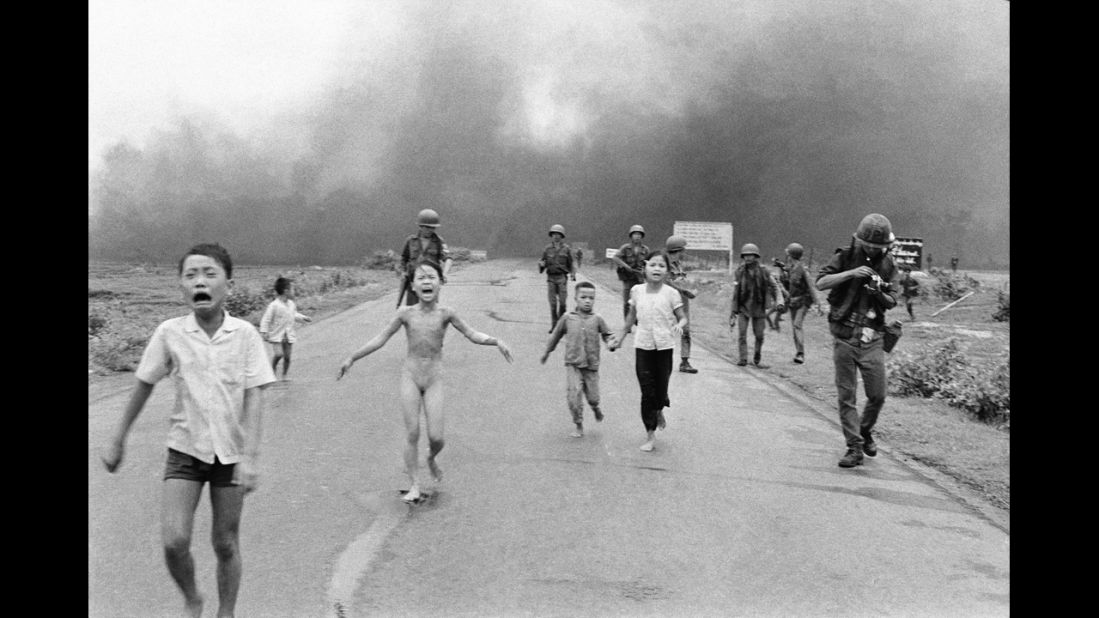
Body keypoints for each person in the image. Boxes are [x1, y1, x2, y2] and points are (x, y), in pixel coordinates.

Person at [100, 242, 276, 618]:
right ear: (180, 285)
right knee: (174, 541)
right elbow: (144, 383)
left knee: (225, 543)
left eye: (210, 274)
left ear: (229, 283)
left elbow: (256, 396)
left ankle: (225, 612)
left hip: (230, 454)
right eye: (191, 275)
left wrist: (251, 457)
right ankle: (193, 597)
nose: (200, 281)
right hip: (185, 451)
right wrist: (118, 437)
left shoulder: (244, 334)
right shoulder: (169, 333)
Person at [337, 262, 513, 502]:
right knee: (412, 432)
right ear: (413, 286)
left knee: (437, 437)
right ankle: (414, 484)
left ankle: (430, 458)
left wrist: (496, 341)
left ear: (440, 284)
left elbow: (472, 334)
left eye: (432, 277)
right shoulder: (405, 314)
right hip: (410, 376)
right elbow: (381, 338)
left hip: (434, 379)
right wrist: (352, 358)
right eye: (421, 278)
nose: (427, 281)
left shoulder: (446, 313)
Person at [815, 213, 900, 468]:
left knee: (878, 395)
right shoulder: (843, 256)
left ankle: (863, 431)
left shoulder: (889, 265)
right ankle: (854, 447)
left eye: (879, 247)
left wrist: (878, 292)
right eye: (869, 245)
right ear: (859, 240)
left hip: (872, 336)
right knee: (846, 395)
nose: (873, 250)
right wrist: (851, 273)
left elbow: (893, 299)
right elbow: (821, 282)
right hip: (844, 335)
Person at [609, 251, 689, 452]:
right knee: (646, 391)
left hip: (664, 347)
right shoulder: (637, 291)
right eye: (653, 265)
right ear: (645, 267)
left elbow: (682, 316)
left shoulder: (671, 293)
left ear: (667, 271)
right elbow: (630, 319)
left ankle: (659, 407)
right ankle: (650, 434)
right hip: (643, 346)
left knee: (660, 391)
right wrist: (620, 337)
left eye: (661, 266)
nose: (657, 269)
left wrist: (680, 324)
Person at [540, 281, 617, 437]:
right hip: (573, 364)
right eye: (583, 297)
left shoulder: (597, 319)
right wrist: (547, 352)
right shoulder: (567, 318)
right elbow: (555, 335)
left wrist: (611, 343)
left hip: (591, 365)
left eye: (591, 298)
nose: (587, 301)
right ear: (575, 298)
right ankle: (579, 424)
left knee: (594, 398)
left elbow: (608, 334)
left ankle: (595, 408)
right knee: (574, 396)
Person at [729, 243, 782, 368]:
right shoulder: (740, 272)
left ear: (755, 256)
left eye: (750, 255)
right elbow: (736, 292)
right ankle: (743, 358)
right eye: (745, 255)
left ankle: (757, 354)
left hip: (759, 307)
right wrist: (733, 311)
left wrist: (779, 301)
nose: (747, 258)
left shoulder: (764, 271)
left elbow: (775, 286)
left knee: (759, 335)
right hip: (743, 307)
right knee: (742, 334)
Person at [258, 276, 312, 381]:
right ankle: (271, 371)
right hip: (277, 335)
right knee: (279, 354)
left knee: (287, 357)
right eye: (292, 289)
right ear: (286, 291)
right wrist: (264, 331)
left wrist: (303, 318)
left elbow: (294, 315)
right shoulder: (274, 305)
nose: (294, 291)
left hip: (288, 335)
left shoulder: (291, 304)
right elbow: (266, 319)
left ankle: (284, 375)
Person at [398, 208, 453, 306]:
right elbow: (403, 259)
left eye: (433, 227)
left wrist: (445, 274)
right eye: (427, 227)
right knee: (412, 311)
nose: (430, 230)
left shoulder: (439, 241)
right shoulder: (411, 241)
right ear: (420, 226)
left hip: (431, 282)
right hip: (414, 282)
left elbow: (448, 258)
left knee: (430, 310)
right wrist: (403, 272)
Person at [663, 235, 699, 373]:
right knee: (665, 331)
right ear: (677, 250)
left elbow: (681, 281)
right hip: (668, 302)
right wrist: (685, 291)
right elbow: (667, 282)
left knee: (686, 331)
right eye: (682, 250)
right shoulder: (664, 264)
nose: (683, 253)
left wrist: (688, 290)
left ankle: (685, 361)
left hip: (682, 303)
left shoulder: (679, 265)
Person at [538, 224, 576, 332]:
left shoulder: (567, 249)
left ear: (562, 236)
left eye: (558, 234)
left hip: (562, 278)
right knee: (553, 303)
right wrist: (541, 265)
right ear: (551, 235)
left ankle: (561, 324)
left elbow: (572, 263)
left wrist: (573, 274)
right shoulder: (547, 249)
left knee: (563, 303)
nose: (556, 236)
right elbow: (543, 262)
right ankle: (554, 325)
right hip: (551, 278)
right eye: (554, 234)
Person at [783, 243, 817, 364]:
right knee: (794, 328)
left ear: (791, 255)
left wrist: (818, 304)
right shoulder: (790, 268)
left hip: (803, 301)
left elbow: (811, 287)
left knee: (797, 325)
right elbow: (787, 280)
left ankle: (801, 354)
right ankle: (798, 352)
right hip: (793, 302)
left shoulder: (803, 269)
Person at [610, 224, 650, 321]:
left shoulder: (645, 250)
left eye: (639, 234)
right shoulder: (625, 248)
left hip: (639, 278)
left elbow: (650, 262)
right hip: (628, 277)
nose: (637, 236)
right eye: (635, 234)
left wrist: (645, 270)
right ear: (631, 236)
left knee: (639, 300)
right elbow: (616, 257)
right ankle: (627, 323)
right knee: (627, 301)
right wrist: (626, 266)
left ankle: (636, 319)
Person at [765, 258, 790, 332]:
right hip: (776, 303)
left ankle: (777, 328)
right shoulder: (769, 286)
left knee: (776, 320)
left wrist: (784, 303)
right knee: (766, 315)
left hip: (782, 304)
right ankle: (772, 326)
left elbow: (786, 295)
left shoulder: (779, 286)